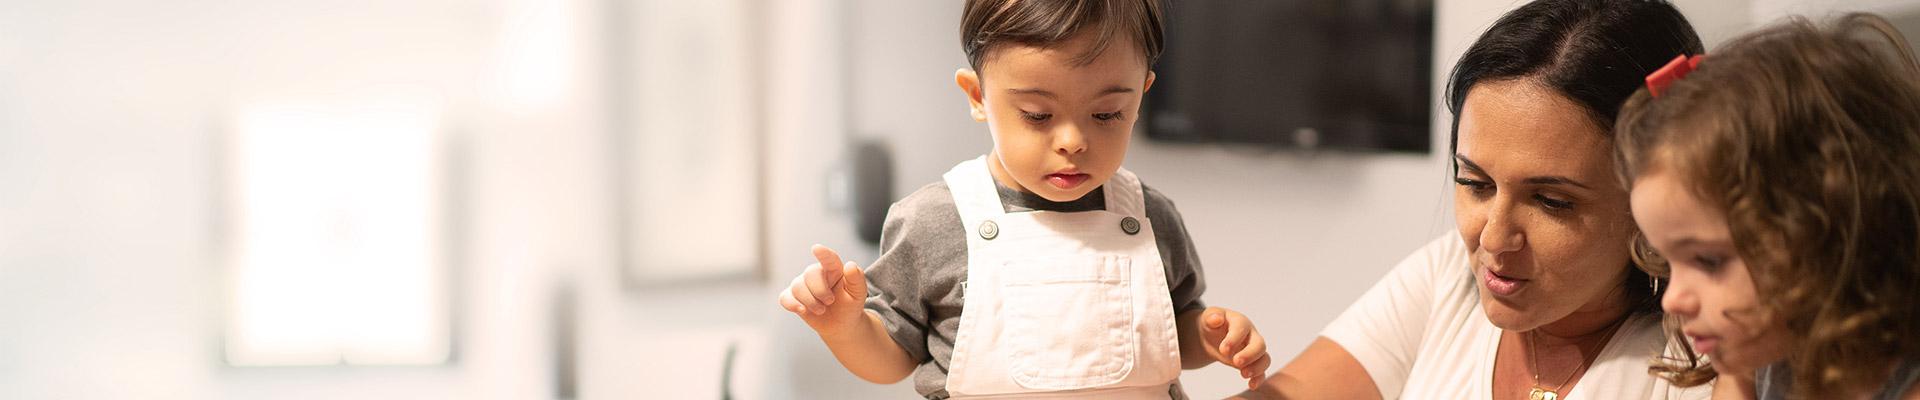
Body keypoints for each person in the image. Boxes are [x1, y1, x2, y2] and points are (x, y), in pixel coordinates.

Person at [775, 0, 1268, 398]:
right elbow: (894, 358)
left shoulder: (1151, 217)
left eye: (1107, 114)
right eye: (1037, 114)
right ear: (977, 96)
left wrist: (1208, 335)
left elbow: (1173, 330)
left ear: (1141, 95)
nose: (1073, 140)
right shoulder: (932, 221)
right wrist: (844, 326)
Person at [1236, 1, 1712, 399]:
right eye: (1475, 183)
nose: (1494, 237)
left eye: (1550, 201)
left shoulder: (1702, 358)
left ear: (1656, 199)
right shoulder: (1450, 276)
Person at [1616, 13, 1920, 400]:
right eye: (1669, 262)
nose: (1672, 299)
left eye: (1709, 260)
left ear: (1834, 233)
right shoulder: (1762, 354)